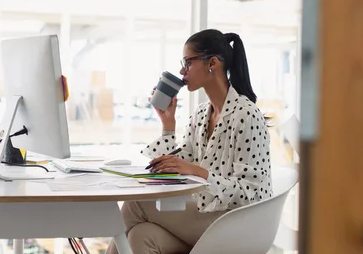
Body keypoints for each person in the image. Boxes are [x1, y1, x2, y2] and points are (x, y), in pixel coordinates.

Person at [106, 29, 272, 254]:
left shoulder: (246, 114)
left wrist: (198, 172)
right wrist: (168, 125)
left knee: (136, 204)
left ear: (213, 63)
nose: (182, 71)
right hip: (207, 215)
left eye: (188, 62)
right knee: (141, 236)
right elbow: (172, 167)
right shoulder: (202, 114)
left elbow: (249, 193)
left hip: (238, 223)